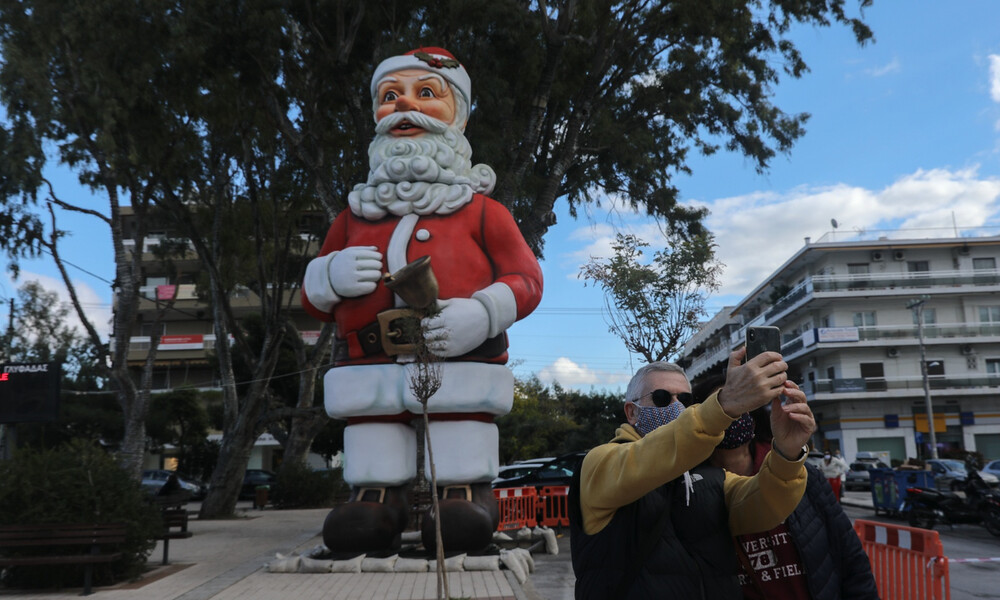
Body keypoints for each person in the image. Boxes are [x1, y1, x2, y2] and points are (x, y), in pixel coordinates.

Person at [301, 47, 543, 554]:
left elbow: (526, 279)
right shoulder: (354, 216)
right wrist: (330, 275)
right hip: (369, 360)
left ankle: (462, 496)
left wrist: (482, 313)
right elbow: (311, 297)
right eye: (390, 96)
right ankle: (373, 499)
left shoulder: (483, 211)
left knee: (458, 427)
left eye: (425, 93)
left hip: (459, 358)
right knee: (374, 428)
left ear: (458, 113)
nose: (403, 106)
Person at [571, 349, 816, 599]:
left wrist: (787, 453)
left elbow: (764, 506)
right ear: (632, 412)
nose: (677, 406)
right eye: (662, 397)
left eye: (685, 400)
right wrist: (725, 405)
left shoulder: (710, 476)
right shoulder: (601, 464)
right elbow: (651, 457)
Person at [709, 415, 879, 599]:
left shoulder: (803, 475)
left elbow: (851, 559)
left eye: (739, 409)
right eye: (722, 408)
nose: (731, 416)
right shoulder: (691, 492)